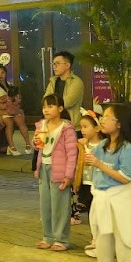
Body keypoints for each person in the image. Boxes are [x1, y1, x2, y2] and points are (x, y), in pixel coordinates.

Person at [83, 103, 131, 262]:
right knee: (103, 243)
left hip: (120, 200)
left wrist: (99, 164)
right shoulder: (102, 145)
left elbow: (126, 177)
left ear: (119, 124)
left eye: (107, 117)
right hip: (101, 198)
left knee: (126, 243)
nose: (102, 120)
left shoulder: (127, 148)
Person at [33, 93, 77, 251]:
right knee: (45, 204)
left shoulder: (67, 129)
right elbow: (37, 147)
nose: (46, 110)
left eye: (50, 106)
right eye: (44, 106)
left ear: (60, 108)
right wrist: (35, 141)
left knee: (60, 206)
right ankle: (48, 237)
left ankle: (61, 239)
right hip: (44, 168)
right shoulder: (41, 126)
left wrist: (69, 175)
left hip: (59, 170)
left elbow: (72, 154)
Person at [72, 112, 100, 245]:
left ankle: (100, 238)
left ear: (97, 128)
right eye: (81, 127)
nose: (82, 130)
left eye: (85, 126)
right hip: (85, 182)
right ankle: (95, 237)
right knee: (90, 212)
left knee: (98, 212)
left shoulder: (104, 145)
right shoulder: (82, 145)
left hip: (98, 184)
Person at [0, 66, 27, 156]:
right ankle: (11, 146)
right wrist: (0, 104)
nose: (0, 75)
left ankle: (27, 144)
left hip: (8, 107)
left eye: (2, 73)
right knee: (9, 122)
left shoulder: (9, 84)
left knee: (19, 119)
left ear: (6, 74)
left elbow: (14, 97)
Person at [52, 51, 87, 123]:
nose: (54, 67)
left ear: (67, 65)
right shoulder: (53, 81)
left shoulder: (76, 82)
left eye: (57, 63)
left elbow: (67, 103)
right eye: (53, 64)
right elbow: (46, 100)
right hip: (54, 124)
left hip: (71, 125)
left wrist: (51, 106)